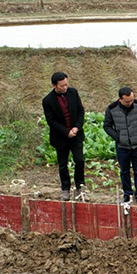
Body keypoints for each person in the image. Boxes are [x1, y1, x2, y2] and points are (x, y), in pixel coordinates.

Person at [42, 72, 86, 202]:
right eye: (62, 86)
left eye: (66, 84)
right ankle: (65, 188)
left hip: (76, 135)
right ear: (54, 85)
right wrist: (66, 132)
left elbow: (80, 111)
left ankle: (80, 186)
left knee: (79, 160)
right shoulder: (48, 100)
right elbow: (51, 121)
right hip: (61, 137)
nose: (65, 87)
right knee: (62, 164)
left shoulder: (73, 93)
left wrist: (76, 128)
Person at [103, 87, 137, 206]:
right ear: (120, 99)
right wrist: (118, 137)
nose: (130, 103)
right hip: (122, 146)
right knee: (124, 171)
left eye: (131, 100)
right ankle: (127, 194)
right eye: (127, 101)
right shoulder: (112, 109)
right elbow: (106, 126)